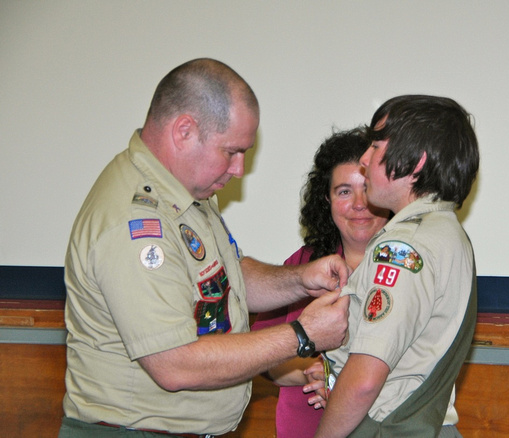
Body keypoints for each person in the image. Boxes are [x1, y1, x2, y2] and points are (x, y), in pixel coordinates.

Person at [58, 58, 350, 438]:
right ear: (184, 131)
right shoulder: (135, 223)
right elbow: (175, 365)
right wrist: (301, 334)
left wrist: (299, 280)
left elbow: (225, 280)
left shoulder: (183, 193)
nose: (239, 169)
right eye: (231, 151)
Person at [304, 95, 480, 438]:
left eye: (376, 146)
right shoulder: (446, 231)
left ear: (417, 161)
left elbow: (365, 379)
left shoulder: (403, 245)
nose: (365, 160)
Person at [252, 127, 391, 438]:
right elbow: (263, 358)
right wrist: (309, 371)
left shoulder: (407, 267)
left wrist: (344, 378)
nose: (358, 204)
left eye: (367, 189)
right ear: (326, 200)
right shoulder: (302, 265)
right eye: (344, 191)